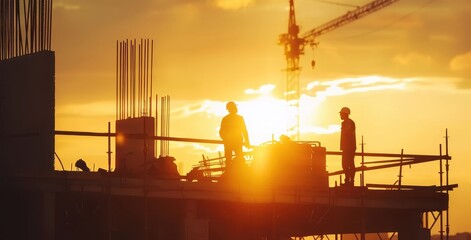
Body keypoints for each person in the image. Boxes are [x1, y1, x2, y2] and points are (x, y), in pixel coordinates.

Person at [219, 101, 250, 168]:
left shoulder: (238, 118)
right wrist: (226, 139)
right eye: (233, 107)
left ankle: (238, 172)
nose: (234, 109)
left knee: (238, 159)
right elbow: (221, 132)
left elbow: (244, 130)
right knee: (230, 159)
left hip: (236, 142)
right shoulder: (226, 119)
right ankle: (230, 173)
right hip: (232, 142)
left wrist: (247, 141)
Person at [339, 107, 356, 186]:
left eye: (341, 114)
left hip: (349, 147)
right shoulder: (345, 123)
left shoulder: (349, 123)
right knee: (345, 164)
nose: (340, 115)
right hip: (346, 147)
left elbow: (349, 132)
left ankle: (350, 181)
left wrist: (344, 130)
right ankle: (348, 180)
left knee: (349, 164)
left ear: (345, 114)